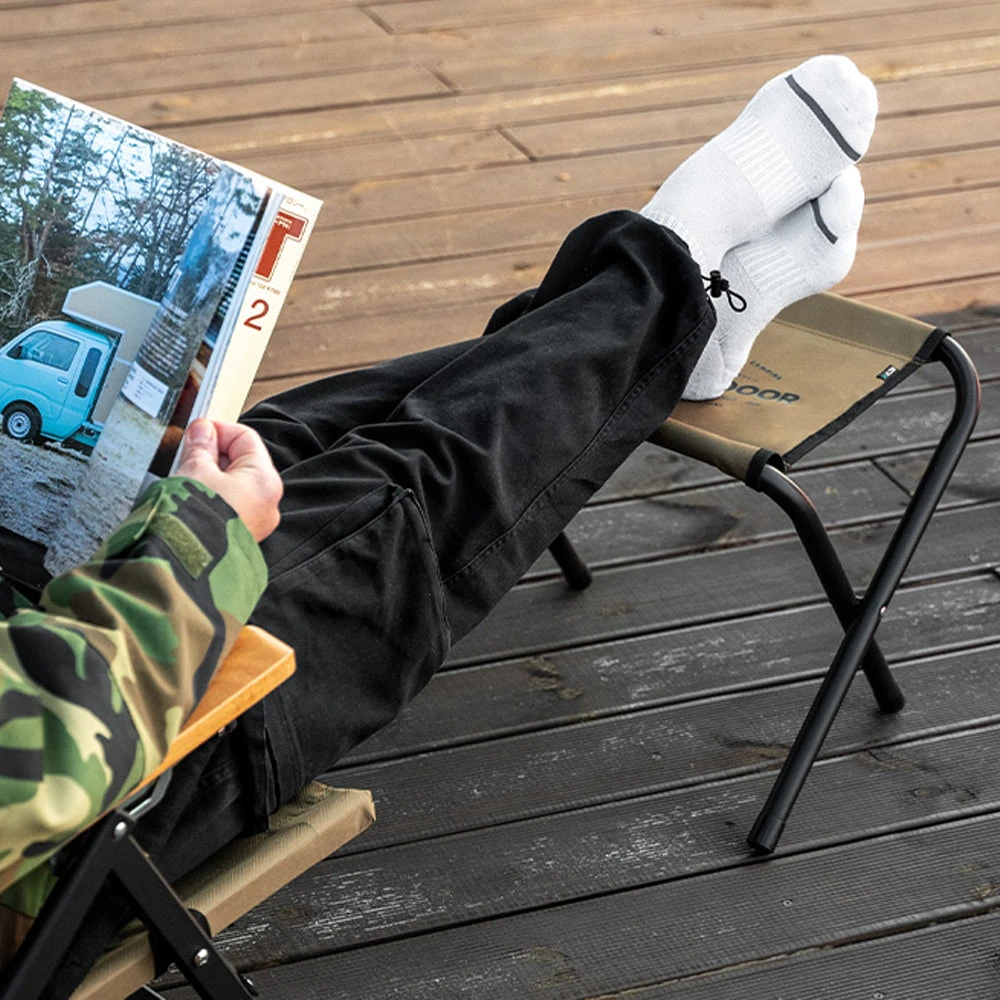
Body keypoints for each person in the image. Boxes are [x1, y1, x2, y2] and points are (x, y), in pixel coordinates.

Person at [0, 54, 877, 919]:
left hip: (41, 629)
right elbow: (55, 746)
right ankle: (677, 263)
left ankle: (681, 311)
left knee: (278, 439)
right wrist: (194, 538)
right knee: (402, 492)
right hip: (117, 781)